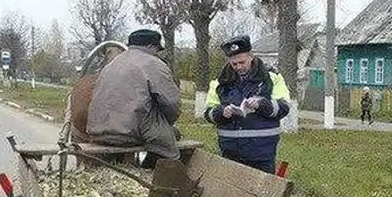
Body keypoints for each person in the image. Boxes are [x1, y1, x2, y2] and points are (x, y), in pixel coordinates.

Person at [86, 29, 181, 168]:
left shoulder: (111, 64)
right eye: (157, 49)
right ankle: (148, 171)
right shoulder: (155, 64)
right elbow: (172, 103)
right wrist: (167, 122)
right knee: (171, 142)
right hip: (129, 133)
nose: (157, 53)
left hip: (96, 131)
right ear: (150, 46)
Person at [204, 35, 290, 174]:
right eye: (234, 64)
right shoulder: (219, 83)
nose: (239, 67)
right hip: (230, 152)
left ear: (251, 56)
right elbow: (208, 113)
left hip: (262, 153)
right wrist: (221, 112)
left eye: (242, 62)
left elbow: (284, 107)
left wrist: (262, 104)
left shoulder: (272, 78)